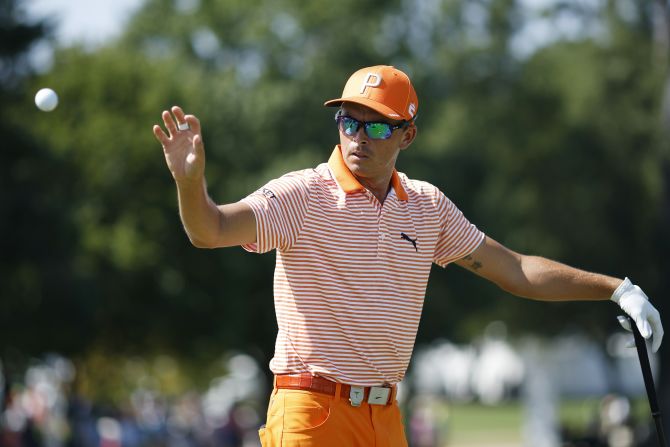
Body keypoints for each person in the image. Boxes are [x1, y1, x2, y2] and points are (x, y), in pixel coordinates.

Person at [153, 65, 663, 447]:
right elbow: (211, 229)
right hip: (311, 412)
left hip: (387, 416)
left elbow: (516, 270)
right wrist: (190, 184)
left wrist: (615, 288)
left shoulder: (427, 207)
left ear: (407, 135)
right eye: (349, 122)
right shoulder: (302, 195)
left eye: (377, 126)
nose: (358, 137)